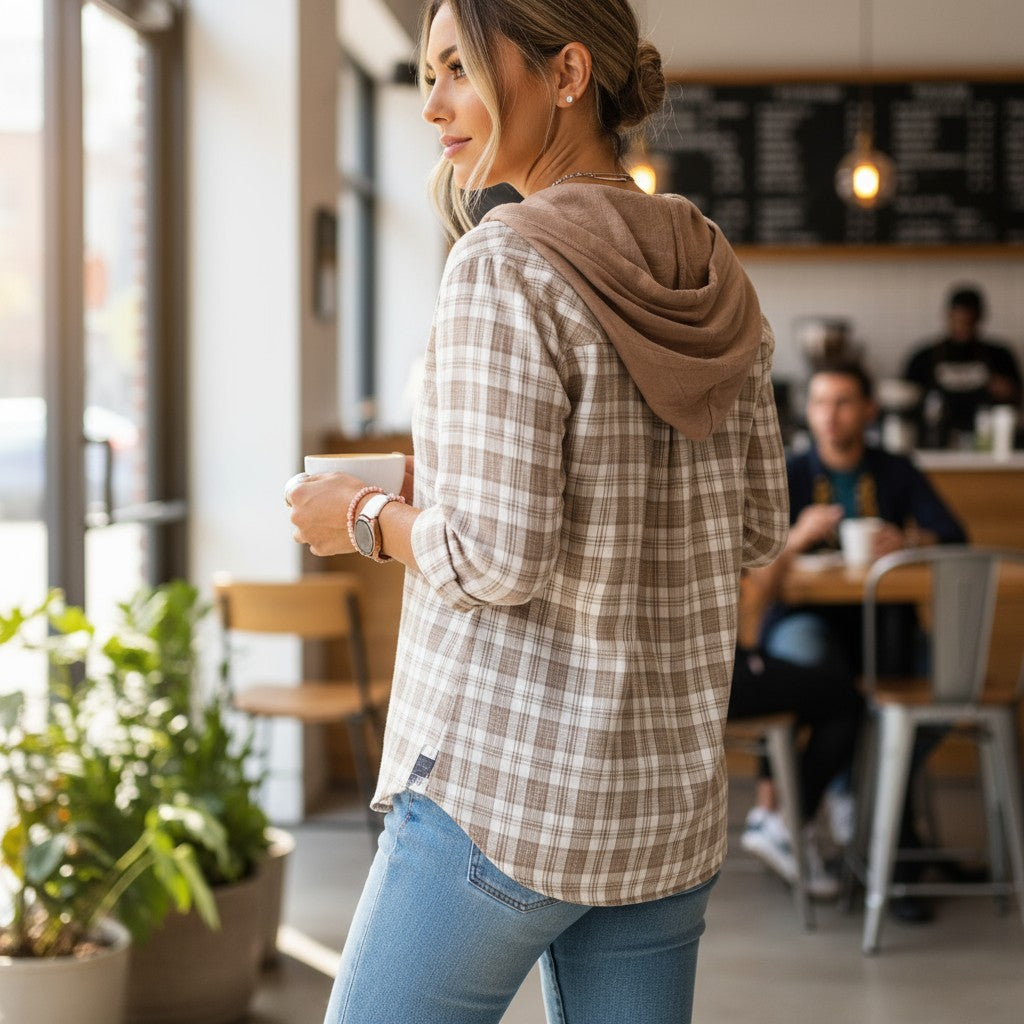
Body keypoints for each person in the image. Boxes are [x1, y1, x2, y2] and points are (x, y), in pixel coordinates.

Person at [288, 2, 788, 1021]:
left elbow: (496, 561)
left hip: (502, 797)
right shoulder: (707, 259)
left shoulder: (502, 262)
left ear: (567, 74)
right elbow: (753, 524)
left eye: (460, 70)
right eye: (427, 75)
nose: (433, 106)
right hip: (661, 803)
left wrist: (359, 513)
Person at [762, 358, 966, 924]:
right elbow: (756, 574)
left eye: (844, 402)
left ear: (869, 411)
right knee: (817, 669)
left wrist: (908, 536)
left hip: (886, 623)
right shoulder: (792, 472)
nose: (831, 415)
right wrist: (796, 537)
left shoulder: (895, 470)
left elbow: (952, 536)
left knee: (944, 688)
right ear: (808, 411)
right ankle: (836, 801)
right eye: (821, 402)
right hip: (808, 619)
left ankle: (866, 788)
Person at [729, 556, 864, 900]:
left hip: (667, 675)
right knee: (843, 699)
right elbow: (757, 599)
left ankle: (771, 817)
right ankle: (788, 821)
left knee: (796, 683)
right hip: (719, 674)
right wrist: (797, 540)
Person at [904, 285, 1022, 443]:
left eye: (969, 322)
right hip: (935, 440)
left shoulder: (1000, 356)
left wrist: (1009, 391)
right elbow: (904, 399)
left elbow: (1018, 397)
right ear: (948, 316)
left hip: (989, 440)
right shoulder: (923, 357)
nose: (964, 328)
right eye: (959, 320)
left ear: (980, 318)